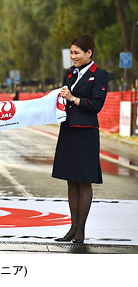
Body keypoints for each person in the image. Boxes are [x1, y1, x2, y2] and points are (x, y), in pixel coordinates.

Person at [52, 34, 108, 244]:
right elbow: (63, 99)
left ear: (89, 53)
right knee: (71, 180)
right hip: (68, 130)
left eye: (76, 53)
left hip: (85, 133)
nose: (72, 56)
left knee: (84, 181)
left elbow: (96, 106)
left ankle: (81, 230)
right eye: (71, 52)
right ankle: (72, 228)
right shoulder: (70, 73)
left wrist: (73, 99)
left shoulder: (99, 75)